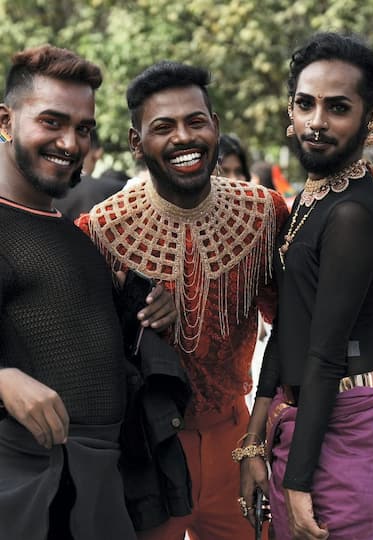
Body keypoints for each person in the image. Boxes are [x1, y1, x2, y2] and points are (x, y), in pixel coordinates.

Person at [79, 61, 288, 540]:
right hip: (148, 448)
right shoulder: (101, 231)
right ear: (137, 144)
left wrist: (262, 437)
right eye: (163, 127)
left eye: (195, 121)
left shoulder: (263, 213)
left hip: (237, 439)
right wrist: (133, 315)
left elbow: (289, 327)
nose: (183, 137)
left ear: (214, 127)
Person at [0, 44, 175, 540]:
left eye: (83, 128)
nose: (70, 142)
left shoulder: (70, 231)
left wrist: (144, 307)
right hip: (27, 494)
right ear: (6, 120)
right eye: (52, 122)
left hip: (96, 493)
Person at [238, 32, 373, 540]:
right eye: (306, 104)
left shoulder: (352, 213)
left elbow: (325, 353)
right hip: (301, 422)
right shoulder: (310, 198)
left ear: (369, 119)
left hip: (347, 430)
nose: (316, 123)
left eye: (337, 108)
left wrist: (298, 484)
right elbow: (288, 323)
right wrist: (253, 442)